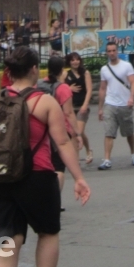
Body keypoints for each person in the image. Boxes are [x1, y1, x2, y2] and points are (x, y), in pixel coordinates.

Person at [0, 47, 90, 267]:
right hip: (36, 176)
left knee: (8, 240)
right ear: (33, 70)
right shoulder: (44, 102)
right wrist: (79, 177)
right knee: (48, 233)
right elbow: (62, 142)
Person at [38, 55, 81, 200]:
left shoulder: (39, 85)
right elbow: (68, 113)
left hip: (40, 128)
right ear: (62, 70)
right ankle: (54, 199)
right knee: (58, 167)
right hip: (59, 130)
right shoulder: (63, 89)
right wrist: (77, 133)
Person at [97, 42, 134, 170]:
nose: (111, 53)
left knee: (128, 132)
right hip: (110, 104)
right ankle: (107, 159)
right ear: (106, 53)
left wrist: (131, 97)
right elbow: (103, 88)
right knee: (109, 132)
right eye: (109, 51)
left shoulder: (126, 66)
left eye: (113, 50)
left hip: (124, 104)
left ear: (117, 51)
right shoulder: (104, 69)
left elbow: (133, 83)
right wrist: (100, 108)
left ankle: (133, 154)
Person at [64, 52, 93, 164]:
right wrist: (68, 88)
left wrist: (85, 105)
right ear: (69, 62)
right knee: (76, 132)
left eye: (77, 59)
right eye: (72, 60)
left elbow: (89, 90)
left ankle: (75, 160)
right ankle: (88, 150)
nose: (75, 62)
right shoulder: (65, 74)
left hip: (82, 106)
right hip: (71, 107)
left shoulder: (85, 73)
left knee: (77, 133)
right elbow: (59, 87)